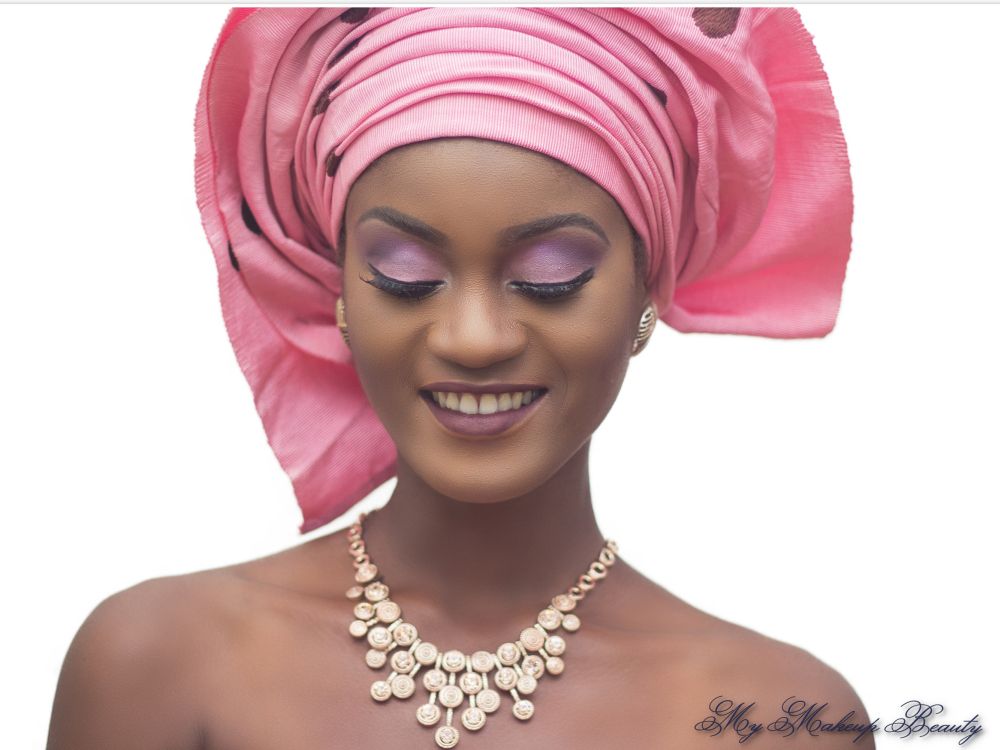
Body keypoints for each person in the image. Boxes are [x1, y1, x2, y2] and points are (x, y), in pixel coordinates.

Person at [47, 7, 874, 749]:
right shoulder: (162, 664)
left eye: (550, 275)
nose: (474, 339)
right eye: (406, 274)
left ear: (645, 294)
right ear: (338, 292)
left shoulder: (776, 719)